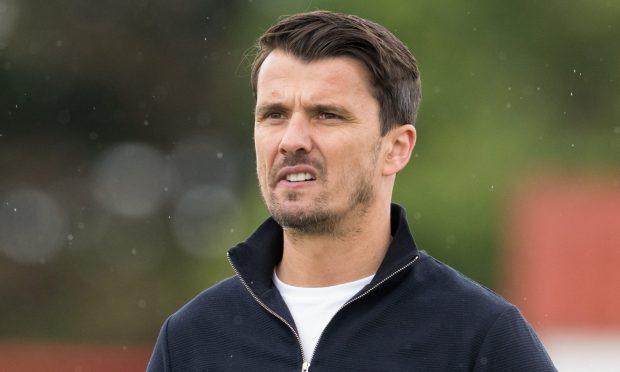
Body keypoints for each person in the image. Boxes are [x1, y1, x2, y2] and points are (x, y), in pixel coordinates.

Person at [147, 10, 556, 371]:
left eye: (326, 115)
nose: (292, 140)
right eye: (274, 115)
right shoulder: (192, 339)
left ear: (395, 149)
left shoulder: (479, 337)